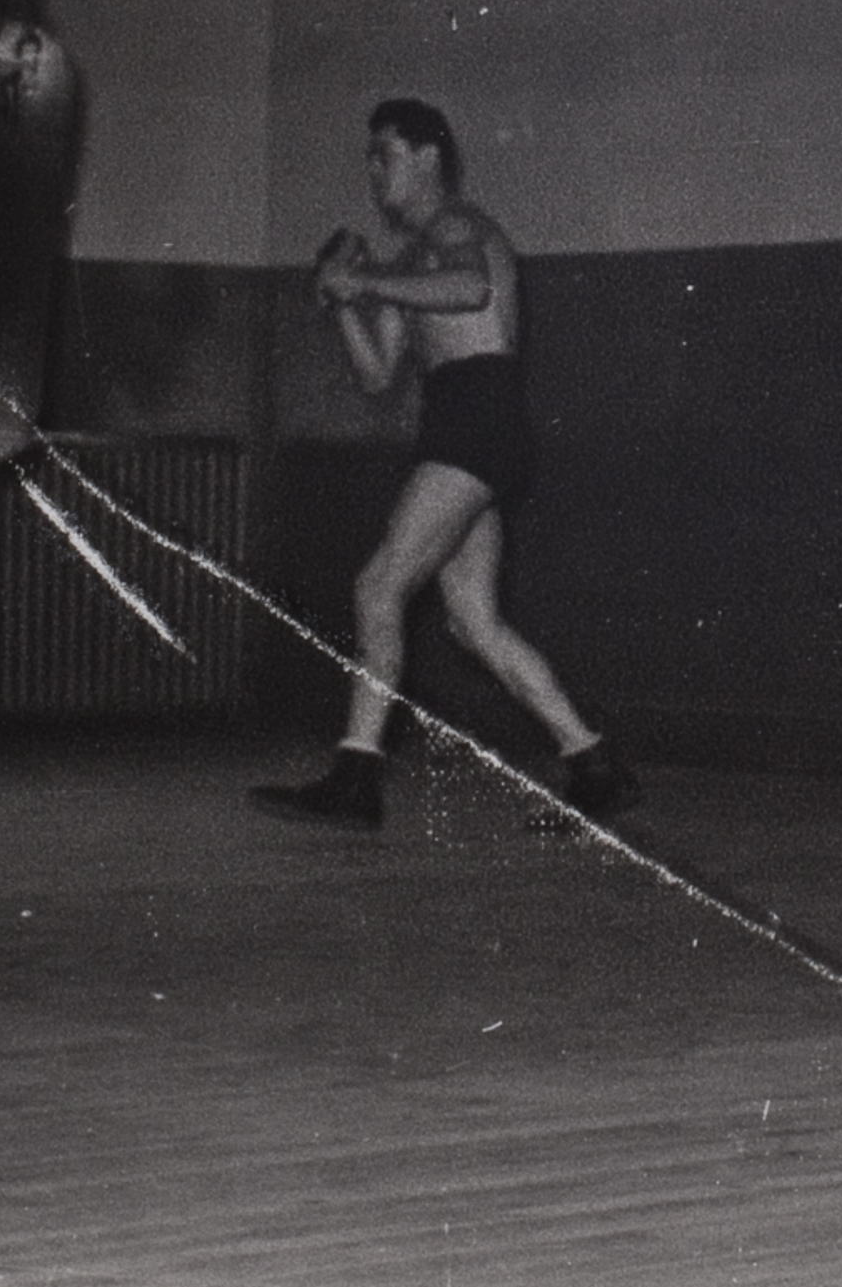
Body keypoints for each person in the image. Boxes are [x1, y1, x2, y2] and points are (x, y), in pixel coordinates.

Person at [249, 99, 640, 831]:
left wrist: (364, 284)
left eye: (385, 155)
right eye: (367, 158)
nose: (372, 173)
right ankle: (592, 761)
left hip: (478, 422)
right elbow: (377, 374)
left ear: (428, 157)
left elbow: (473, 288)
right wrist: (342, 301)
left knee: (378, 585)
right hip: (462, 428)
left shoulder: (460, 228)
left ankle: (356, 775)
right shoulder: (406, 262)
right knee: (473, 622)